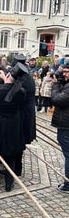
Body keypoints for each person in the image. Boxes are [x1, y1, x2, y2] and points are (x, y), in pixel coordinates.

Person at [0, 63, 28, 191]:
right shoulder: (21, 92)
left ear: (8, 75)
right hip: (11, 125)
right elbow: (11, 89)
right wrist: (6, 80)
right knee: (10, 153)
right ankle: (9, 182)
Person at [50, 63, 69, 193]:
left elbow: (57, 100)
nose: (64, 74)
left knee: (68, 154)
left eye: (67, 72)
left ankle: (68, 184)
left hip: (66, 125)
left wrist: (56, 84)